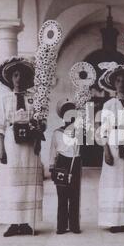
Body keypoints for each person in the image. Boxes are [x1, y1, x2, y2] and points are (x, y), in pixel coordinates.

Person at [0, 56, 44, 237]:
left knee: (26, 185)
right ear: (10, 78)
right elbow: (0, 125)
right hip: (11, 145)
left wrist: (38, 141)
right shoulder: (4, 99)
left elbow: (40, 123)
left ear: (27, 78)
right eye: (15, 75)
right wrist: (1, 148)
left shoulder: (35, 99)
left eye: (22, 75)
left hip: (30, 146)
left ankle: (25, 223)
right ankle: (12, 223)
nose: (18, 79)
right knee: (11, 183)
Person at [97, 62, 124, 233]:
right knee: (114, 182)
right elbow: (102, 131)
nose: (122, 84)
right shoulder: (109, 105)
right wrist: (106, 150)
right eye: (118, 81)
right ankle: (114, 221)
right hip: (114, 146)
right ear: (114, 84)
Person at [49, 99, 82, 234]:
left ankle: (74, 225)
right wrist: (52, 167)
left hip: (75, 162)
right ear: (62, 116)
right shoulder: (57, 132)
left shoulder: (79, 132)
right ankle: (61, 225)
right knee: (62, 195)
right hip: (61, 163)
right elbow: (53, 150)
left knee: (74, 195)